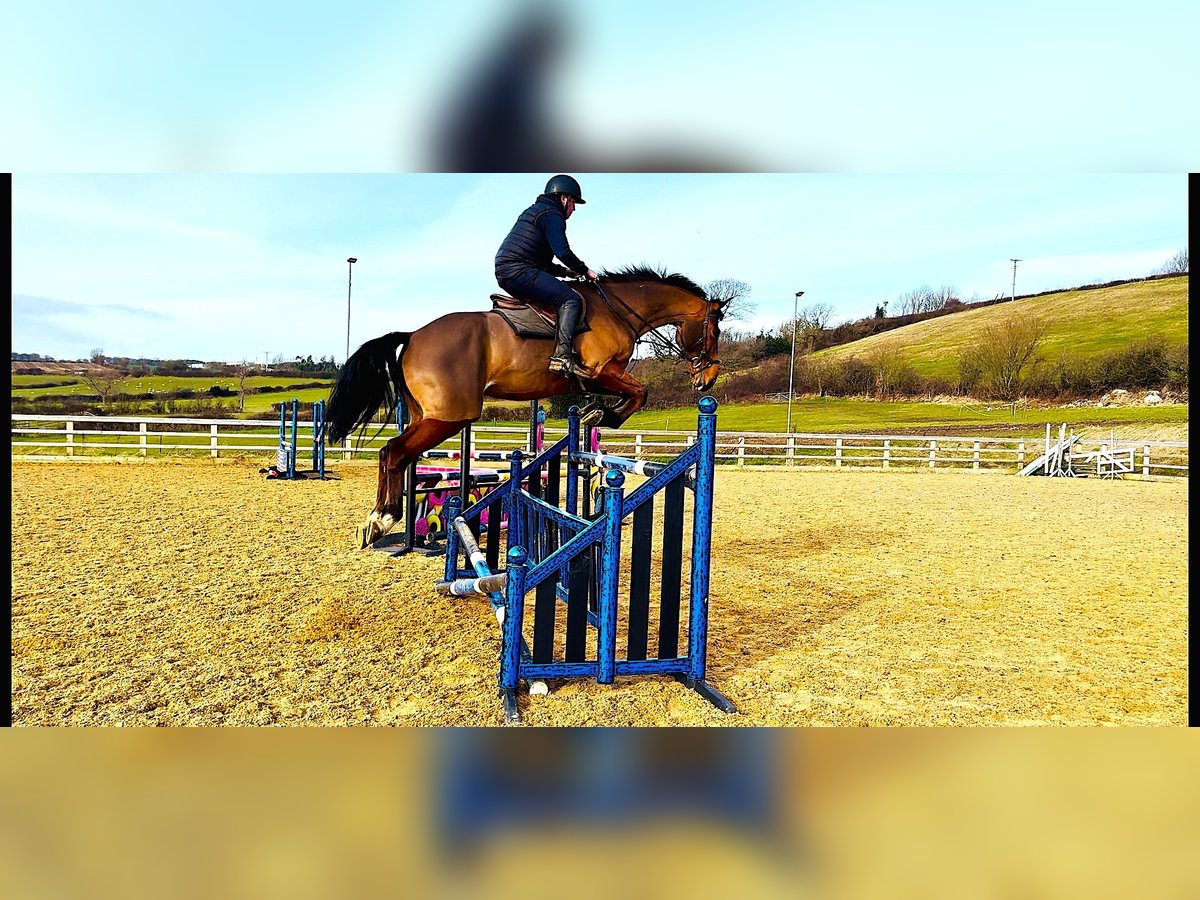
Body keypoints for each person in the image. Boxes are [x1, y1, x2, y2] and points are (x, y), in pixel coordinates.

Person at [495, 174, 599, 376]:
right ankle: (562, 357)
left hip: (509, 270)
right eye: (574, 203)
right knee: (570, 299)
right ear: (564, 198)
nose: (574, 209)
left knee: (554, 293)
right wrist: (585, 270)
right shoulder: (552, 215)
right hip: (519, 271)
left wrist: (565, 272)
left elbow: (540, 261)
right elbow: (562, 252)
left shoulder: (537, 211)